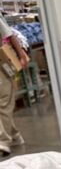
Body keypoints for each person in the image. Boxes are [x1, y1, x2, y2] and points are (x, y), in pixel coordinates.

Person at [0, 12, 28, 158]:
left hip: (1, 60)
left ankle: (3, 141)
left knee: (4, 100)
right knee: (4, 101)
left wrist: (21, 54)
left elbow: (8, 34)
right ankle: (14, 135)